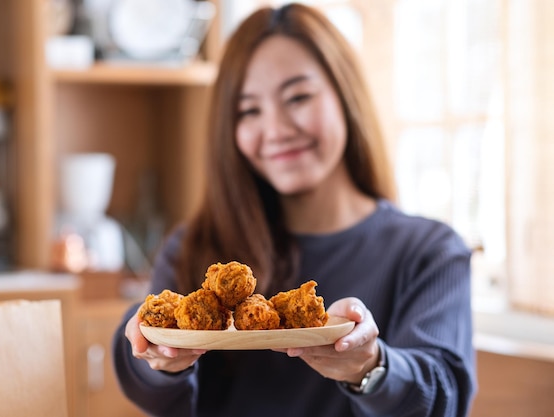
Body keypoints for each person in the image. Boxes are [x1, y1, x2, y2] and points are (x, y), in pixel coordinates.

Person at [112, 3, 476, 417]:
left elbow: (444, 397)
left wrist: (371, 367)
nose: (277, 130)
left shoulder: (429, 251)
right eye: (249, 110)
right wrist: (152, 352)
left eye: (298, 97)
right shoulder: (198, 244)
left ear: (345, 94)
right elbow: (152, 386)